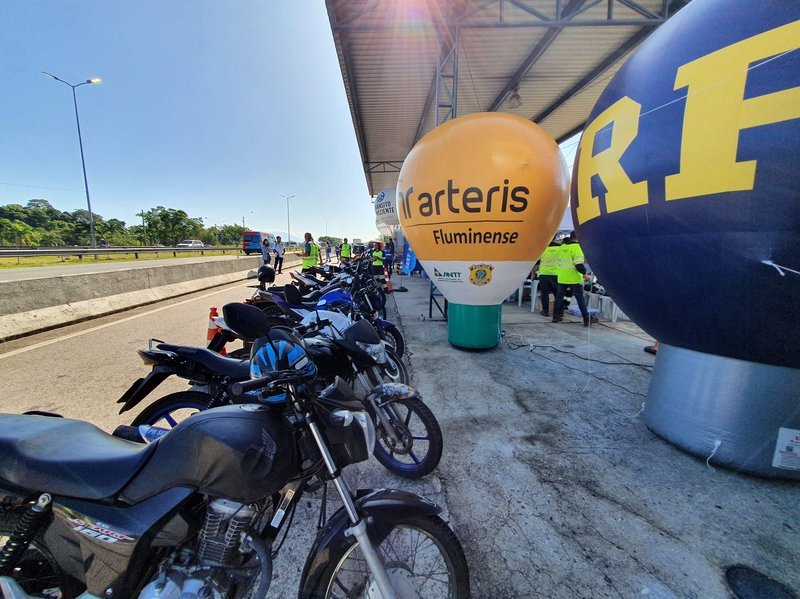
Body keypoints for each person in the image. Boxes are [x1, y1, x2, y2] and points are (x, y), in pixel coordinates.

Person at [553, 231, 591, 326]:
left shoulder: (562, 247)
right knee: (579, 298)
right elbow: (578, 264)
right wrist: (585, 274)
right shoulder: (577, 247)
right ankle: (586, 319)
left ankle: (555, 317)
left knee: (559, 297)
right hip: (573, 278)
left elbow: (558, 262)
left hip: (562, 277)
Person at [536, 238, 560, 317]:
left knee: (544, 294)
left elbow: (537, 262)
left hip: (544, 274)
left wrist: (533, 274)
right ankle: (558, 312)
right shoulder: (560, 248)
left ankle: (545, 311)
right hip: (556, 273)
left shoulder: (542, 248)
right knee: (557, 294)